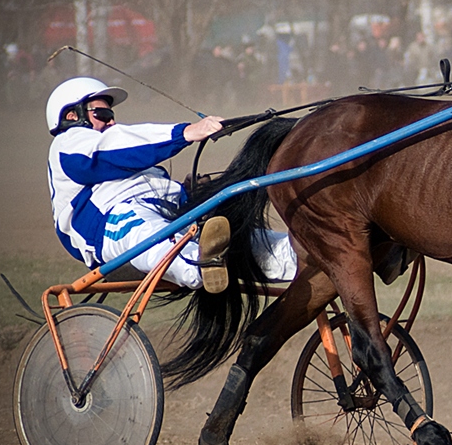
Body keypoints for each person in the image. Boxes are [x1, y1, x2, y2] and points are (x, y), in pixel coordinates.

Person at [46, 76, 298, 293]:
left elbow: (128, 158)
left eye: (111, 115)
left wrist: (186, 193)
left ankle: (302, 254)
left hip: (173, 218)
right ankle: (199, 265)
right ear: (72, 116)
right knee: (147, 231)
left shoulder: (129, 160)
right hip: (111, 222)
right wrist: (186, 132)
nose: (111, 121)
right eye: (102, 114)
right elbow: (110, 148)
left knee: (257, 242)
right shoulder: (69, 143)